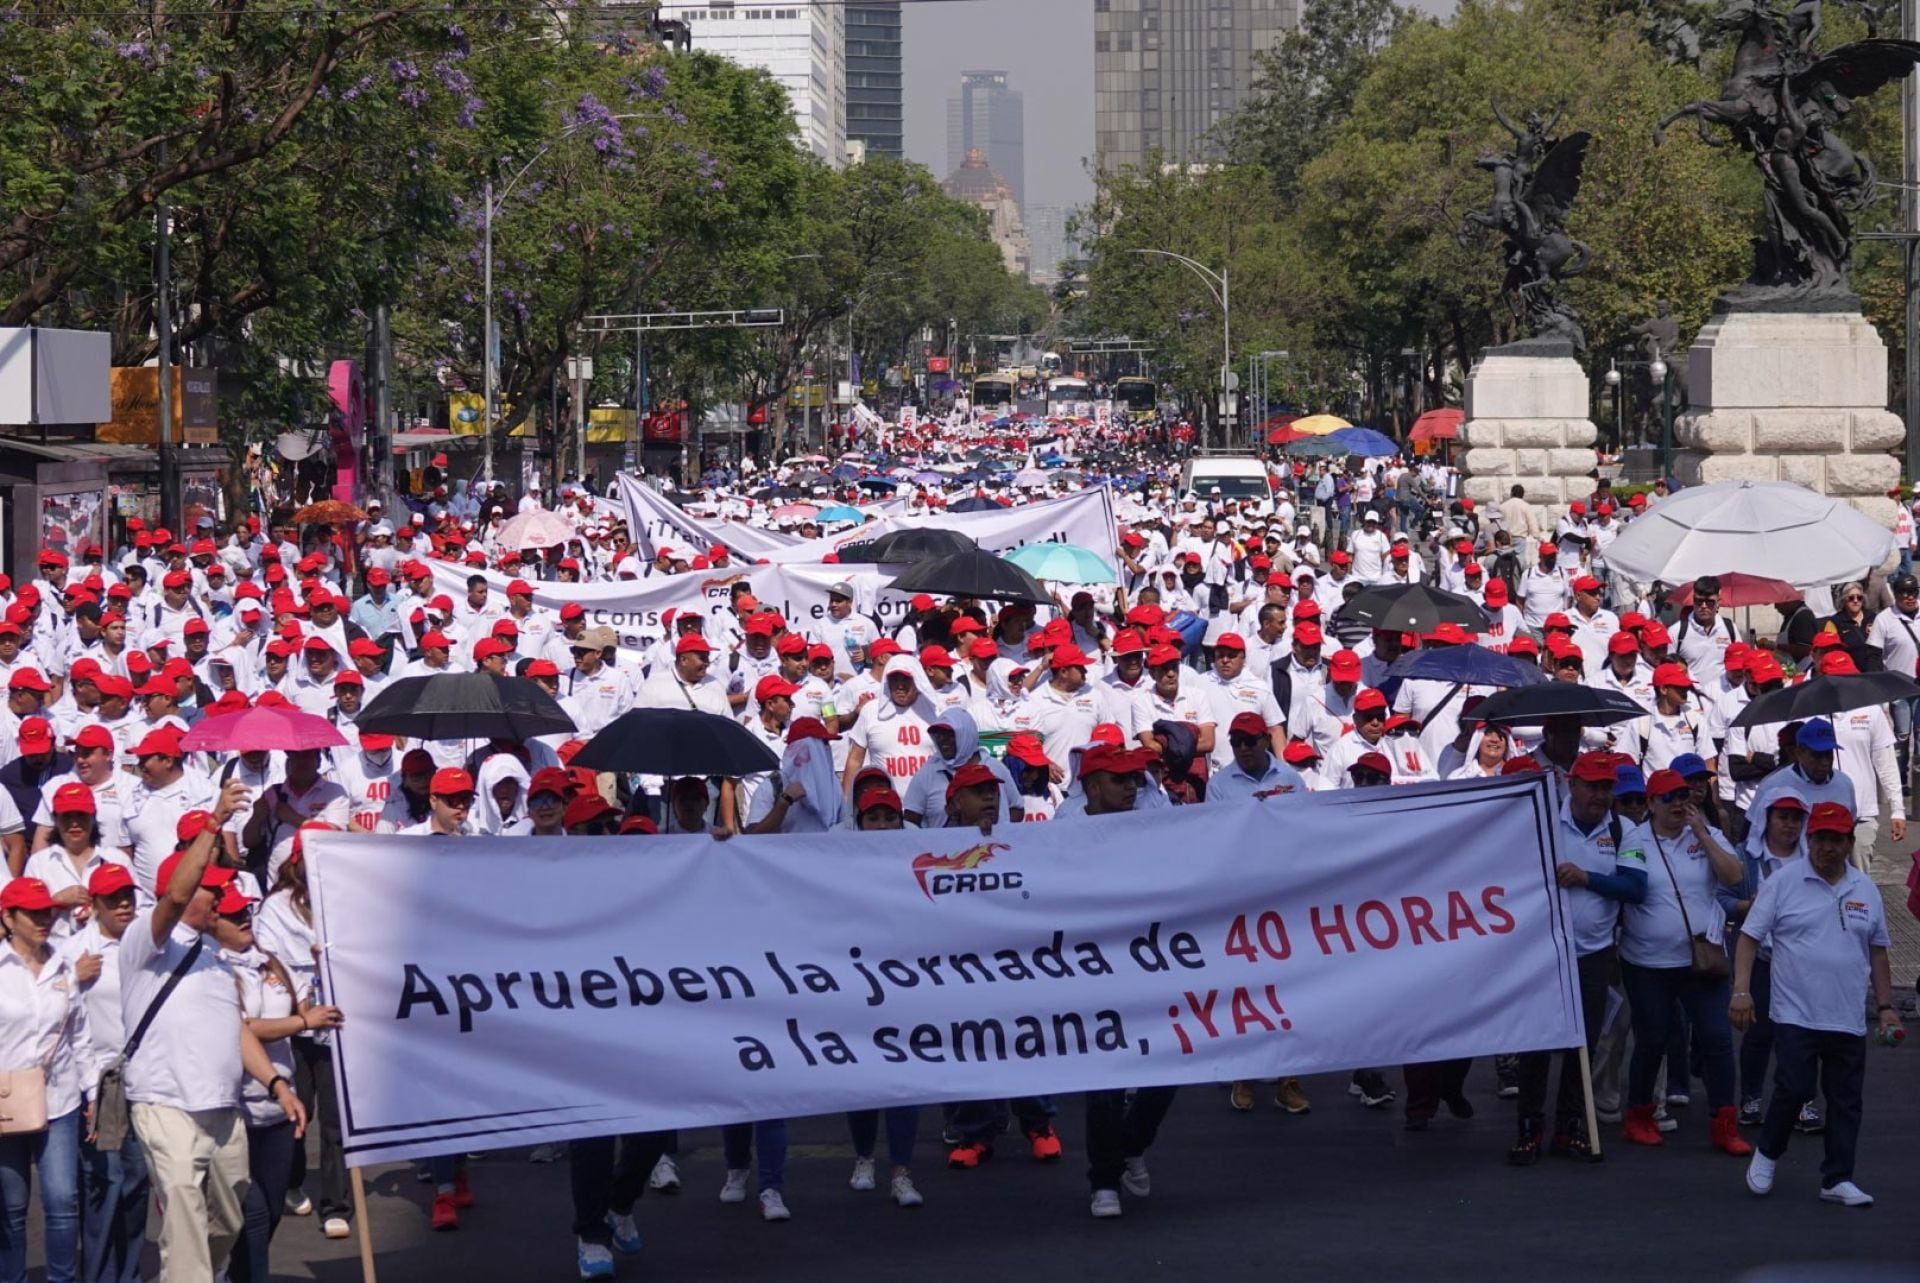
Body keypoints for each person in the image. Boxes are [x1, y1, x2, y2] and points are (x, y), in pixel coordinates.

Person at [120, 780, 305, 1279]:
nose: (224, 893)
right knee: (185, 1219)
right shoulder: (147, 943)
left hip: (224, 1111)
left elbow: (237, 1031)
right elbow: (178, 893)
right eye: (213, 887)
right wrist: (214, 821)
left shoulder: (218, 957)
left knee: (226, 1222)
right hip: (167, 1107)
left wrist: (277, 1083)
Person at [1734, 801, 1899, 1206]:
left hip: (1847, 1015)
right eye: (1821, 838)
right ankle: (1768, 1152)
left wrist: (1886, 1007)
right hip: (1795, 1012)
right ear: (1809, 840)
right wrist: (1741, 990)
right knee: (1795, 1086)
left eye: (1836, 839)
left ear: (1849, 843)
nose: (1827, 847)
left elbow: (1878, 951)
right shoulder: (1783, 882)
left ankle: (1837, 1179)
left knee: (1846, 1100)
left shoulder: (1865, 889)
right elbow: (1749, 937)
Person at [1511, 753, 1647, 1164]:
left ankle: (1569, 1127)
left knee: (1583, 1045)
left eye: (1607, 788)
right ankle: (1529, 1128)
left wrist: (1587, 878)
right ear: (1572, 785)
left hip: (1594, 954)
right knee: (1537, 1043)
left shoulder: (1624, 830)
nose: (1600, 796)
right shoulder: (1545, 821)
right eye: (1592, 786)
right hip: (1545, 952)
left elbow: (1635, 888)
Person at [1063, 744, 1178, 1219]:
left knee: (1171, 1065)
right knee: (1106, 1079)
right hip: (1091, 972)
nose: (1131, 787)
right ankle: (1104, 1180)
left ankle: (1132, 1144)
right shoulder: (1061, 834)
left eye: (1133, 779)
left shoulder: (1150, 828)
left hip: (1148, 965)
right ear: (1092, 787)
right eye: (1119, 779)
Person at [1615, 769, 1750, 1155]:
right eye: (1668, 797)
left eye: (1682, 796)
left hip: (1702, 959)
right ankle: (1639, 1116)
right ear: (1651, 804)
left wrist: (1703, 834)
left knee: (1717, 1038)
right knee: (1652, 1039)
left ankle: (1725, 1124)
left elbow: (1735, 877)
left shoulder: (1705, 833)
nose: (1678, 803)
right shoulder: (1636, 839)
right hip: (1648, 962)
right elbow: (1631, 886)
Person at [0, 877, 91, 1283]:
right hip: (6, 1101)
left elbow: (79, 1034)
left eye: (47, 912)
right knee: (11, 1207)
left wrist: (92, 1090)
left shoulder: (64, 965)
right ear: (8, 918)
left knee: (62, 1201)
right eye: (33, 913)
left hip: (60, 1099)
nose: (43, 920)